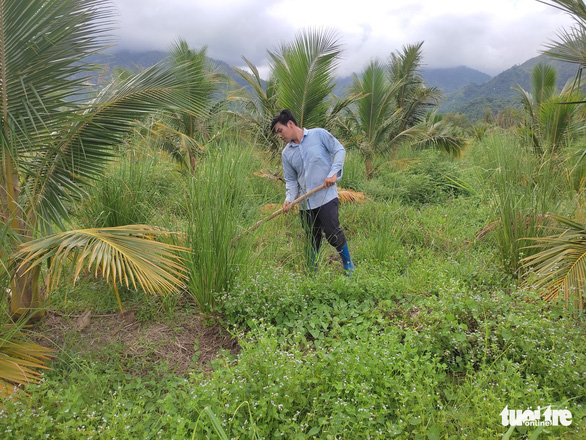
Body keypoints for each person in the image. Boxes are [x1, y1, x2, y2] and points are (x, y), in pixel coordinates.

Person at [270, 109, 355, 274]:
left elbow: (339, 150)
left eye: (280, 131)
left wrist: (333, 174)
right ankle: (313, 272)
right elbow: (291, 180)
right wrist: (289, 199)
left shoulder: (319, 135)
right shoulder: (286, 153)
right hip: (304, 203)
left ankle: (348, 265)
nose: (279, 136)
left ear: (290, 124)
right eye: (277, 133)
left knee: (332, 233)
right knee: (312, 238)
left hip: (326, 196)